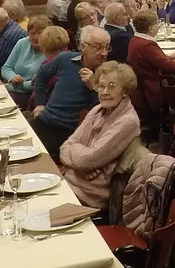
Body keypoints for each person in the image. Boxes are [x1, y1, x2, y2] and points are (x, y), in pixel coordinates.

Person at [61, 61, 141, 210]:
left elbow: (86, 159)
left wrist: (78, 158)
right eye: (101, 86)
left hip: (88, 196)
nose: (104, 92)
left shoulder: (127, 121)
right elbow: (64, 147)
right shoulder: (97, 110)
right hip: (69, 182)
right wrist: (81, 166)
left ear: (125, 91)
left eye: (112, 86)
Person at [32, 26, 108, 159]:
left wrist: (93, 88)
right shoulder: (65, 59)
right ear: (83, 47)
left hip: (70, 133)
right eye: (98, 47)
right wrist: (39, 104)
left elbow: (106, 111)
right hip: (45, 120)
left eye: (107, 47)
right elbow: (41, 75)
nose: (104, 53)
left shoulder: (108, 74)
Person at [126, 9, 175, 131]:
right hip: (150, 88)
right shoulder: (147, 44)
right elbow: (167, 66)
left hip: (141, 88)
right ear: (151, 28)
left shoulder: (135, 40)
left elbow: (155, 60)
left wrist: (168, 57)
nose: (159, 26)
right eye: (157, 23)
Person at [1, 15, 50, 110]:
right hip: (14, 89)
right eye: (32, 33)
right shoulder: (22, 43)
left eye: (40, 33)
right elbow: (6, 67)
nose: (36, 37)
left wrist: (11, 86)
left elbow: (39, 84)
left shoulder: (50, 50)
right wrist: (12, 77)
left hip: (34, 96)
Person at [31, 25, 70, 109]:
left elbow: (36, 97)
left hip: (49, 108)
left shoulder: (47, 65)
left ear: (43, 48)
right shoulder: (73, 59)